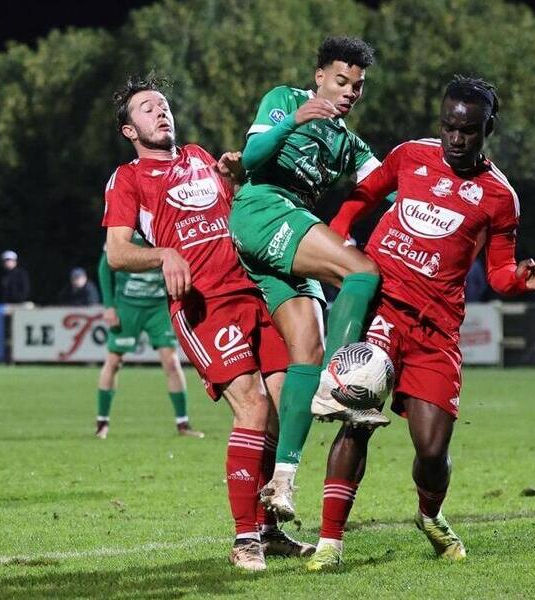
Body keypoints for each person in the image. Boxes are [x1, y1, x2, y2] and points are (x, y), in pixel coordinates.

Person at [310, 77, 535, 570]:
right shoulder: (410, 156)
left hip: (436, 331)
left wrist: (522, 281)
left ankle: (429, 514)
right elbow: (360, 197)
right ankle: (330, 542)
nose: (456, 139)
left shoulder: (499, 197)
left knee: (432, 450)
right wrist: (341, 245)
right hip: (382, 312)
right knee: (356, 422)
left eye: (468, 130)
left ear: (489, 129)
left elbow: (500, 272)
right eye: (448, 127)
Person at [101, 74, 314, 571]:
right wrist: (163, 256)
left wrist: (237, 178)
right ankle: (245, 540)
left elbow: (239, 213)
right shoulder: (129, 178)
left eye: (163, 105)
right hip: (204, 305)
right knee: (254, 407)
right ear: (130, 130)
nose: (160, 112)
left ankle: (269, 528)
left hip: (254, 293)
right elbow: (115, 252)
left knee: (283, 407)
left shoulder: (199, 156)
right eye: (147, 108)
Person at [228, 36, 386, 523]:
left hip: (288, 232)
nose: (348, 92)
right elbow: (251, 158)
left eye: (357, 87)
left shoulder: (347, 143)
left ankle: (282, 480)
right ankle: (343, 379)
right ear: (319, 77)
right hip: (262, 208)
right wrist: (295, 121)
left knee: (306, 352)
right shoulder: (285, 100)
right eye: (341, 81)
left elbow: (387, 183)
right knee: (361, 271)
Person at [95, 235, 203, 439]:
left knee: (171, 362)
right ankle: (102, 423)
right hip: (127, 305)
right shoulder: (126, 230)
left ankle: (183, 424)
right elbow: (104, 267)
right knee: (114, 361)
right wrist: (109, 306)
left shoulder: (164, 227)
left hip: (158, 307)